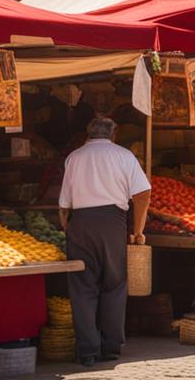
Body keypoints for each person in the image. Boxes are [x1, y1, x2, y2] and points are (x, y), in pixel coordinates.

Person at [58, 117, 152, 367]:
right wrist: (138, 230)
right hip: (112, 223)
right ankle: (110, 347)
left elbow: (63, 206)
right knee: (114, 283)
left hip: (81, 223)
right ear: (114, 133)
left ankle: (87, 350)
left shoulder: (74, 157)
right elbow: (142, 193)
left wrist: (70, 228)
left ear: (87, 134)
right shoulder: (124, 156)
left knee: (82, 286)